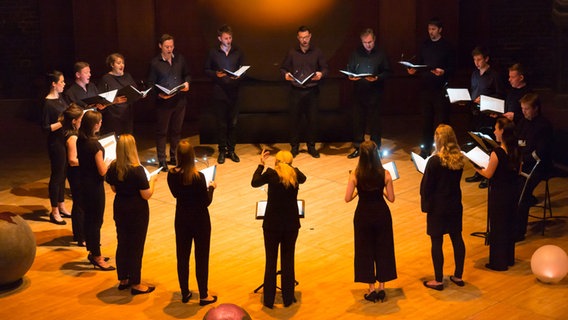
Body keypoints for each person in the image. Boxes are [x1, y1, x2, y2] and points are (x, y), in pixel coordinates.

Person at [251, 149, 306, 308]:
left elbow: (254, 182)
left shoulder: (270, 174)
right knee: (288, 261)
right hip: (291, 225)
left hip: (271, 225)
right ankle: (288, 298)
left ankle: (269, 300)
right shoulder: (295, 175)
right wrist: (291, 167)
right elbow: (304, 178)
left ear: (276, 162)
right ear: (291, 162)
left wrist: (261, 164)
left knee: (271, 261)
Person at [344, 140, 396, 302]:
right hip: (382, 214)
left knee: (364, 250)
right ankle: (382, 287)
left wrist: (360, 191)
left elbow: (347, 198)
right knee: (384, 249)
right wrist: (381, 191)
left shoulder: (355, 174)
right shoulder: (386, 173)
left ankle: (371, 288)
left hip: (363, 215)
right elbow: (391, 198)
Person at [167, 141, 217, 305]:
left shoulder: (171, 174)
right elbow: (205, 202)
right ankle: (204, 295)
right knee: (201, 257)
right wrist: (211, 188)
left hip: (181, 218)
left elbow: (176, 194)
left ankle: (185, 292)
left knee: (182, 257)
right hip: (200, 220)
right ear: (192, 156)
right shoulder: (198, 177)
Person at [106, 134, 157, 295]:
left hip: (120, 207)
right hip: (137, 210)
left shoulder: (113, 167)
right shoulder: (138, 170)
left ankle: (123, 279)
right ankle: (136, 283)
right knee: (136, 246)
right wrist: (153, 181)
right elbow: (146, 195)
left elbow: (114, 189)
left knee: (122, 242)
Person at [420, 124, 466, 290]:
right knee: (457, 238)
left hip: (438, 207)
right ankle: (458, 276)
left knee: (437, 242)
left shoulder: (434, 161)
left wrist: (425, 205)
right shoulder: (459, 158)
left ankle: (438, 280)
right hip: (454, 204)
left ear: (438, 140)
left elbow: (426, 187)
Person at [474, 117, 520, 271]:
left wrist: (476, 168)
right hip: (512, 193)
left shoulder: (497, 153)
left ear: (502, 132)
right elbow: (518, 172)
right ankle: (508, 259)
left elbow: (488, 174)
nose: (494, 131)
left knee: (498, 226)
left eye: (496, 128)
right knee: (508, 224)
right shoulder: (517, 150)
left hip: (499, 194)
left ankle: (498, 262)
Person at [406, 17, 455, 158]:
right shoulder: (425, 45)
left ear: (440, 30)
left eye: (433, 29)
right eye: (429, 29)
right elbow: (420, 64)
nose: (430, 32)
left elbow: (453, 68)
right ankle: (425, 150)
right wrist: (414, 70)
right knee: (426, 121)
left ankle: (443, 150)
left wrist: (443, 71)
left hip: (441, 90)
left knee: (442, 122)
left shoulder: (447, 46)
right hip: (426, 89)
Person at [280, 25, 328, 158]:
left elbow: (325, 68)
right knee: (294, 120)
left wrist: (321, 74)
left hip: (312, 90)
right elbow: (283, 68)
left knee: (312, 120)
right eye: (301, 38)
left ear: (310, 36)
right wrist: (285, 75)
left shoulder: (317, 52)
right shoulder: (292, 52)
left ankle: (311, 147)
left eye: (306, 37)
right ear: (298, 38)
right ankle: (294, 147)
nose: (304, 40)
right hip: (296, 90)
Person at [345, 28, 392, 159]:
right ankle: (358, 148)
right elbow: (350, 69)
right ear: (361, 41)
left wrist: (377, 78)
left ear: (374, 39)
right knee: (358, 122)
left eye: (370, 42)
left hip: (375, 93)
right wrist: (351, 76)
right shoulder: (355, 53)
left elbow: (388, 72)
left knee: (375, 123)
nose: (368, 44)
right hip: (359, 93)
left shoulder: (381, 54)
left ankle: (375, 149)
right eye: (365, 42)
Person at [77, 110, 115, 271]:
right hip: (94, 186)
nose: (101, 124)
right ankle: (97, 257)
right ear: (94, 125)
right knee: (95, 222)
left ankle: (93, 252)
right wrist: (111, 161)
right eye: (99, 122)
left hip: (83, 184)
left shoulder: (80, 140)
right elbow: (102, 171)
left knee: (90, 220)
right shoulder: (95, 145)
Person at [148, 34, 191, 171]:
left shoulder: (180, 59)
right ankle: (162, 160)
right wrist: (160, 94)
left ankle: (174, 157)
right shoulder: (155, 63)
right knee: (162, 132)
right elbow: (150, 83)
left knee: (176, 131)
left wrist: (187, 83)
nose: (170, 49)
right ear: (160, 46)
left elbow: (187, 74)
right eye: (167, 46)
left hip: (179, 101)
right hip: (164, 103)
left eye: (171, 46)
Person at [465, 46, 507, 188]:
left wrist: (484, 98)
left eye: (479, 59)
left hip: (488, 115)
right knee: (476, 143)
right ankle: (478, 171)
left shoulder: (494, 75)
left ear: (486, 59)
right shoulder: (475, 74)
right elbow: (473, 91)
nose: (476, 62)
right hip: (475, 113)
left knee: (487, 144)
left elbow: (500, 95)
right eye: (474, 60)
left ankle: (488, 174)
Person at [515, 93, 553, 241]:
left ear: (536, 108)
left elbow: (540, 153)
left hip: (539, 166)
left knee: (522, 192)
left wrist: (522, 161)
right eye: (522, 108)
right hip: (523, 163)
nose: (523, 112)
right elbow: (517, 141)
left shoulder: (544, 126)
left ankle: (519, 232)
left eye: (527, 109)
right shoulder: (523, 122)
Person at [204, 25, 245, 164]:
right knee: (221, 123)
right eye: (226, 38)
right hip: (219, 92)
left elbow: (244, 68)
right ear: (219, 38)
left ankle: (231, 150)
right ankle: (222, 150)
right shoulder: (213, 52)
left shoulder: (237, 51)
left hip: (234, 92)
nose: (228, 40)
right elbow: (206, 69)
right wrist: (216, 74)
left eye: (230, 38)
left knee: (233, 123)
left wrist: (239, 75)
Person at [42, 71, 71, 225]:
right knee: (57, 176)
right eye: (61, 81)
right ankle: (54, 211)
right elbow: (45, 127)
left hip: (65, 140)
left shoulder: (61, 98)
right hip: (56, 143)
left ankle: (62, 205)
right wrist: (63, 122)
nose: (64, 84)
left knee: (63, 175)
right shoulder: (48, 103)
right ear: (54, 84)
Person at [62, 103, 86, 245]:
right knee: (79, 203)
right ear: (74, 121)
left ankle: (79, 235)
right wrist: (89, 161)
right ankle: (81, 236)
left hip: (77, 173)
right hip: (76, 174)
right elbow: (72, 160)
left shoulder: (73, 134)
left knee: (80, 203)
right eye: (81, 119)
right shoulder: (72, 138)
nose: (82, 121)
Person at [98, 53, 136, 136]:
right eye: (118, 63)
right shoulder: (106, 79)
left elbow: (134, 90)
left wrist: (140, 94)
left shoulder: (127, 76)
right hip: (113, 115)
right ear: (112, 65)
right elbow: (101, 100)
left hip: (127, 113)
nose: (121, 65)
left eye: (123, 63)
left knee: (127, 139)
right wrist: (115, 101)